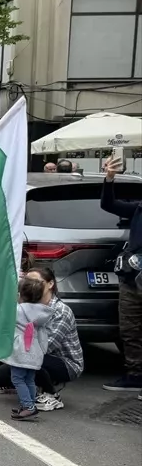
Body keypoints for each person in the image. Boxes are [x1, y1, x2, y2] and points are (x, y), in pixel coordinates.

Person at [0, 267, 84, 409]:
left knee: (27, 359)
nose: (30, 284)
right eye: (27, 281)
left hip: (64, 362)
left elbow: (46, 346)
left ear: (50, 284)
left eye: (35, 281)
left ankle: (51, 394)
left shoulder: (60, 311)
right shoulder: (28, 305)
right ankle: (22, 385)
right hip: (33, 352)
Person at [101, 155, 142, 392]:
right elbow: (109, 205)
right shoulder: (138, 208)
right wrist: (109, 178)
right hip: (132, 279)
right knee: (130, 329)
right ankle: (135, 375)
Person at [6, 275, 54, 422]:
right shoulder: (44, 313)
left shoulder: (18, 311)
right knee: (29, 380)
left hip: (21, 352)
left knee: (17, 378)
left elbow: (5, 314)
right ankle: (29, 404)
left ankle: (28, 407)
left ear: (21, 295)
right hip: (36, 351)